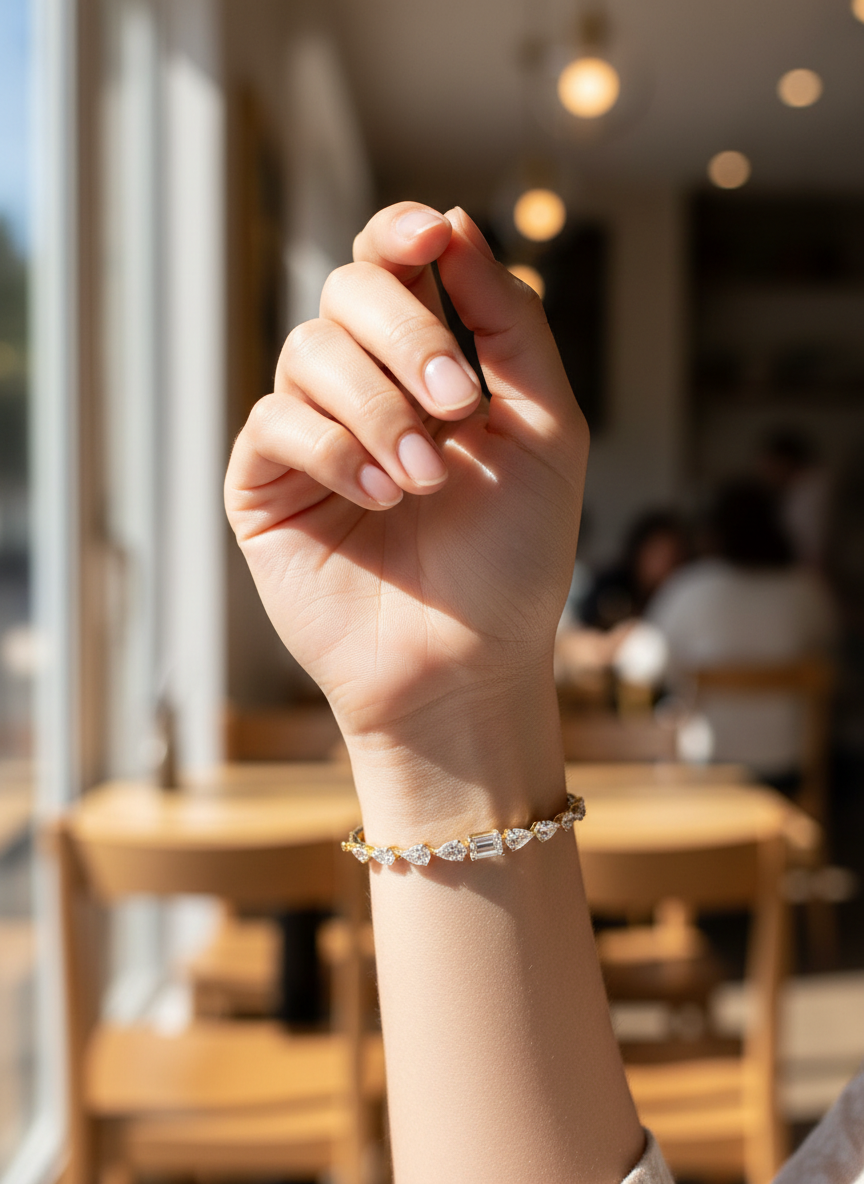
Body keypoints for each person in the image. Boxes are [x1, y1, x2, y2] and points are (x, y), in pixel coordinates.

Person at [225, 202, 863, 1183]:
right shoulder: (813, 594)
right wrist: (446, 712)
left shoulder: (689, 592)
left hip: (707, 772)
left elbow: (653, 662)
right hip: (784, 790)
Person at [646, 480, 834, 783]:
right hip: (789, 757)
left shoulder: (690, 587)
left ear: (713, 531)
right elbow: (827, 652)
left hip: (707, 761)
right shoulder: (806, 589)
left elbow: (655, 667)